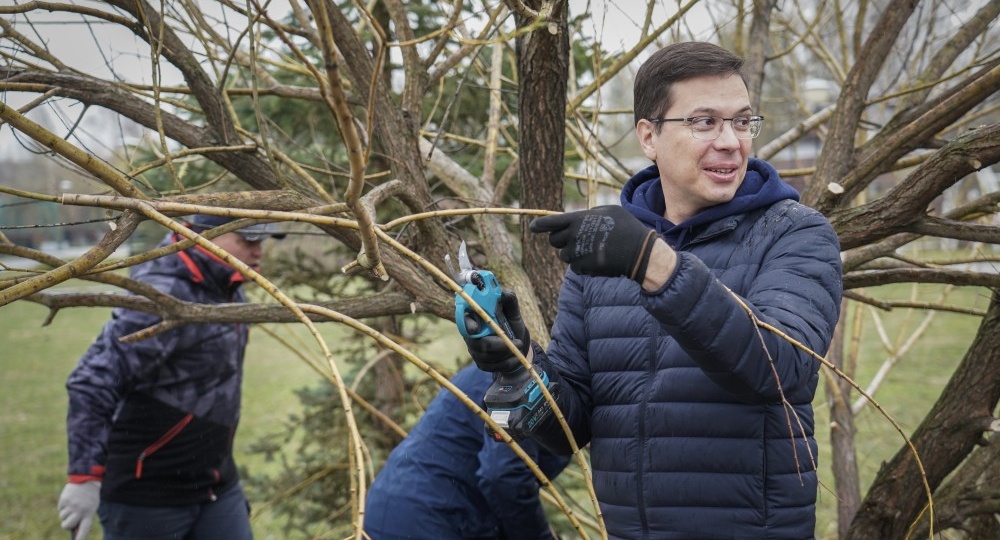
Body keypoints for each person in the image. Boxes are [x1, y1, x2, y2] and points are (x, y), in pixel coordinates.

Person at [464, 41, 843, 539]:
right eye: (705, 122)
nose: (730, 141)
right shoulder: (605, 253)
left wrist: (654, 264)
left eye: (742, 121)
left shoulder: (796, 233)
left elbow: (779, 370)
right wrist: (518, 368)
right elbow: (571, 426)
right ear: (649, 136)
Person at [57, 214, 284, 540]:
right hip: (148, 495)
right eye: (247, 240)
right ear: (204, 236)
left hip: (216, 485)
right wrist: (83, 477)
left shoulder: (225, 287)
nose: (258, 250)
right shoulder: (163, 295)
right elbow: (93, 379)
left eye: (260, 241)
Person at [363, 364, 571, 540]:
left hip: (398, 506)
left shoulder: (508, 361)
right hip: (431, 519)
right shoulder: (527, 378)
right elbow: (504, 476)